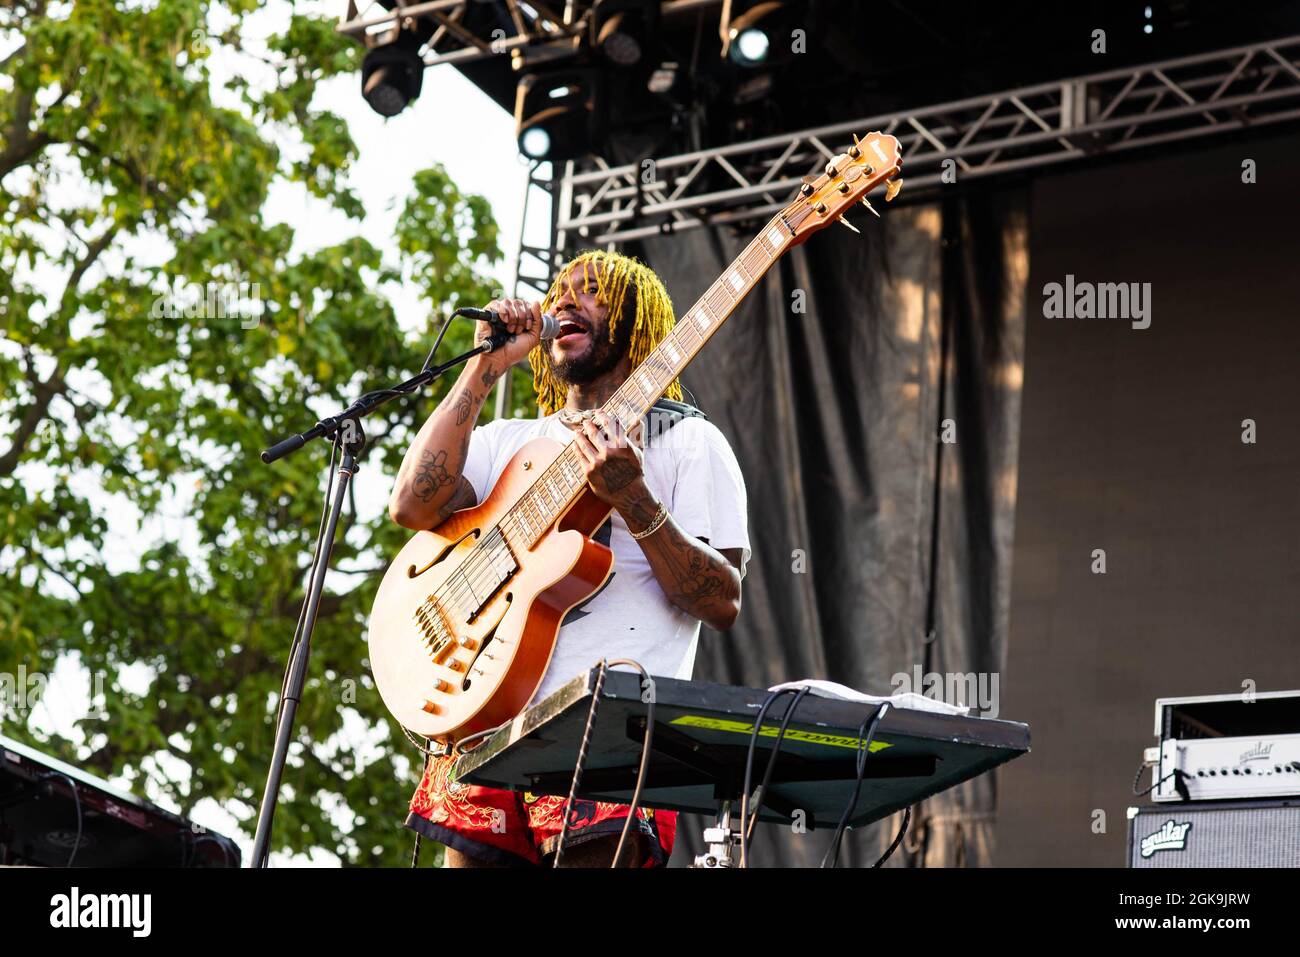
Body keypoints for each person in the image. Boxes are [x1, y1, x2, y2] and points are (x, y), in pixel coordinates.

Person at [388, 250, 750, 867]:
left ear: (635, 320)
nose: (564, 301)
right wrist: (483, 368)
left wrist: (634, 500)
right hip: (481, 719)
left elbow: (721, 601)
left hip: (605, 735)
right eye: (560, 290)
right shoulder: (510, 441)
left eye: (593, 291)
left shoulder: (689, 442)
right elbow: (411, 504)